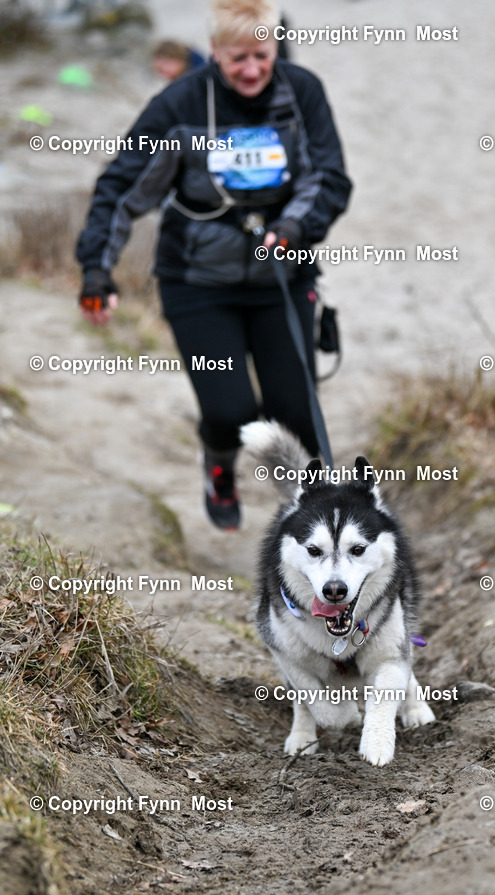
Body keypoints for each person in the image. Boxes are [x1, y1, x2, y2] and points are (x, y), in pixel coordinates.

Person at [76, 0, 352, 530]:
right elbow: (121, 189)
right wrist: (97, 270)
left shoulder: (303, 92)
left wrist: (295, 226)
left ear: (276, 46)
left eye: (261, 55)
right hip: (197, 283)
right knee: (230, 410)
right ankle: (219, 466)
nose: (250, 69)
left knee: (297, 414)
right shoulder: (179, 105)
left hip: (283, 276)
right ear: (214, 52)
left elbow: (330, 178)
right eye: (237, 58)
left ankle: (314, 526)